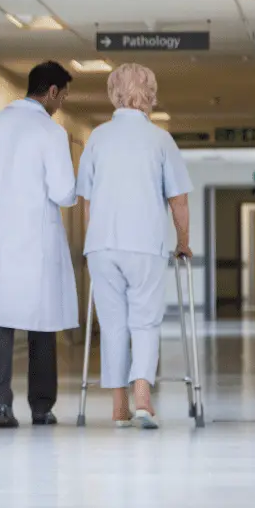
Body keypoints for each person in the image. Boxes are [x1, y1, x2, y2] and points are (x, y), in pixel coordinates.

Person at [76, 63, 193, 429]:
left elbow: (87, 201)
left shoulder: (97, 137)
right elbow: (179, 201)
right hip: (145, 243)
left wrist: (96, 239)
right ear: (151, 95)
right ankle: (143, 396)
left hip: (103, 245)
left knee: (112, 325)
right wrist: (183, 242)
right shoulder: (161, 140)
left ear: (114, 93)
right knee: (144, 322)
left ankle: (118, 406)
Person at [0, 60, 79, 428]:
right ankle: (41, 407)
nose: (60, 105)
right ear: (52, 92)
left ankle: (0, 406)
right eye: (62, 97)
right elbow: (63, 193)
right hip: (36, 240)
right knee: (41, 325)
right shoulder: (51, 133)